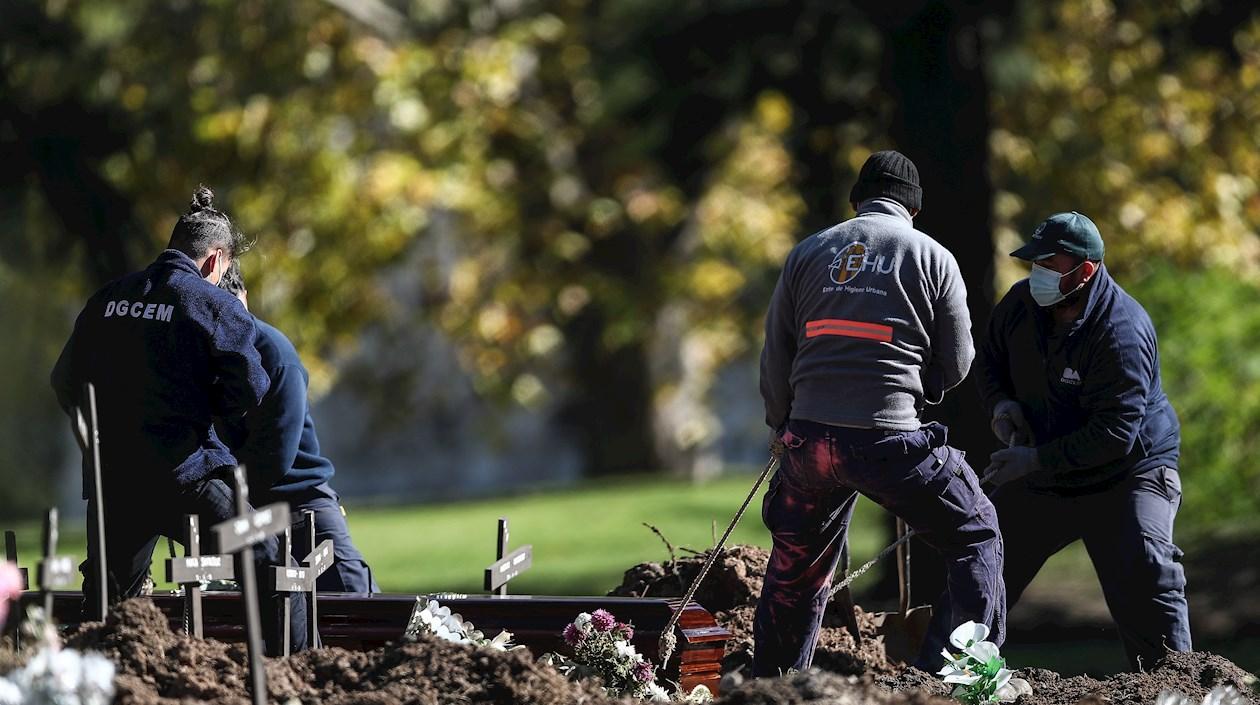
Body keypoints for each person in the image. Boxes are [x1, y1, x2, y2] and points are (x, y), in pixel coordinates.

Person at [755, 150, 1005, 676]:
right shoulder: (934, 257)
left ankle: (772, 686)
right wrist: (922, 388)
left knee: (798, 568)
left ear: (856, 202)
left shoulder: (808, 251)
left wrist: (784, 426)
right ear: (913, 208)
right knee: (975, 532)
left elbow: (776, 352)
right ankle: (969, 678)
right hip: (889, 443)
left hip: (811, 443)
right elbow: (958, 360)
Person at [50, 186, 305, 654]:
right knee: (273, 560)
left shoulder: (108, 298)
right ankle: (287, 674)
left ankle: (99, 686)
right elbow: (248, 388)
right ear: (214, 261)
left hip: (114, 484)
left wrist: (106, 432)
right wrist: (205, 406)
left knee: (109, 609)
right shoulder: (215, 304)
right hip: (185, 475)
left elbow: (65, 381)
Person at [977, 211, 1190, 670]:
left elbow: (1114, 435)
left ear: (1084, 271)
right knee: (982, 560)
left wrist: (1033, 460)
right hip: (1050, 468)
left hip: (1130, 472)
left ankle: (1179, 688)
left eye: (1047, 264)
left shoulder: (1122, 332)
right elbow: (988, 361)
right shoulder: (1018, 306)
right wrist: (1002, 405)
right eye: (1033, 262)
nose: (1036, 273)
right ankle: (944, 681)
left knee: (1147, 571)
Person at [216, 261, 379, 593]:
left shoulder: (274, 352)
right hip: (240, 509)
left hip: (302, 506)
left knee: (357, 607)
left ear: (245, 298)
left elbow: (276, 456)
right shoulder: (199, 357)